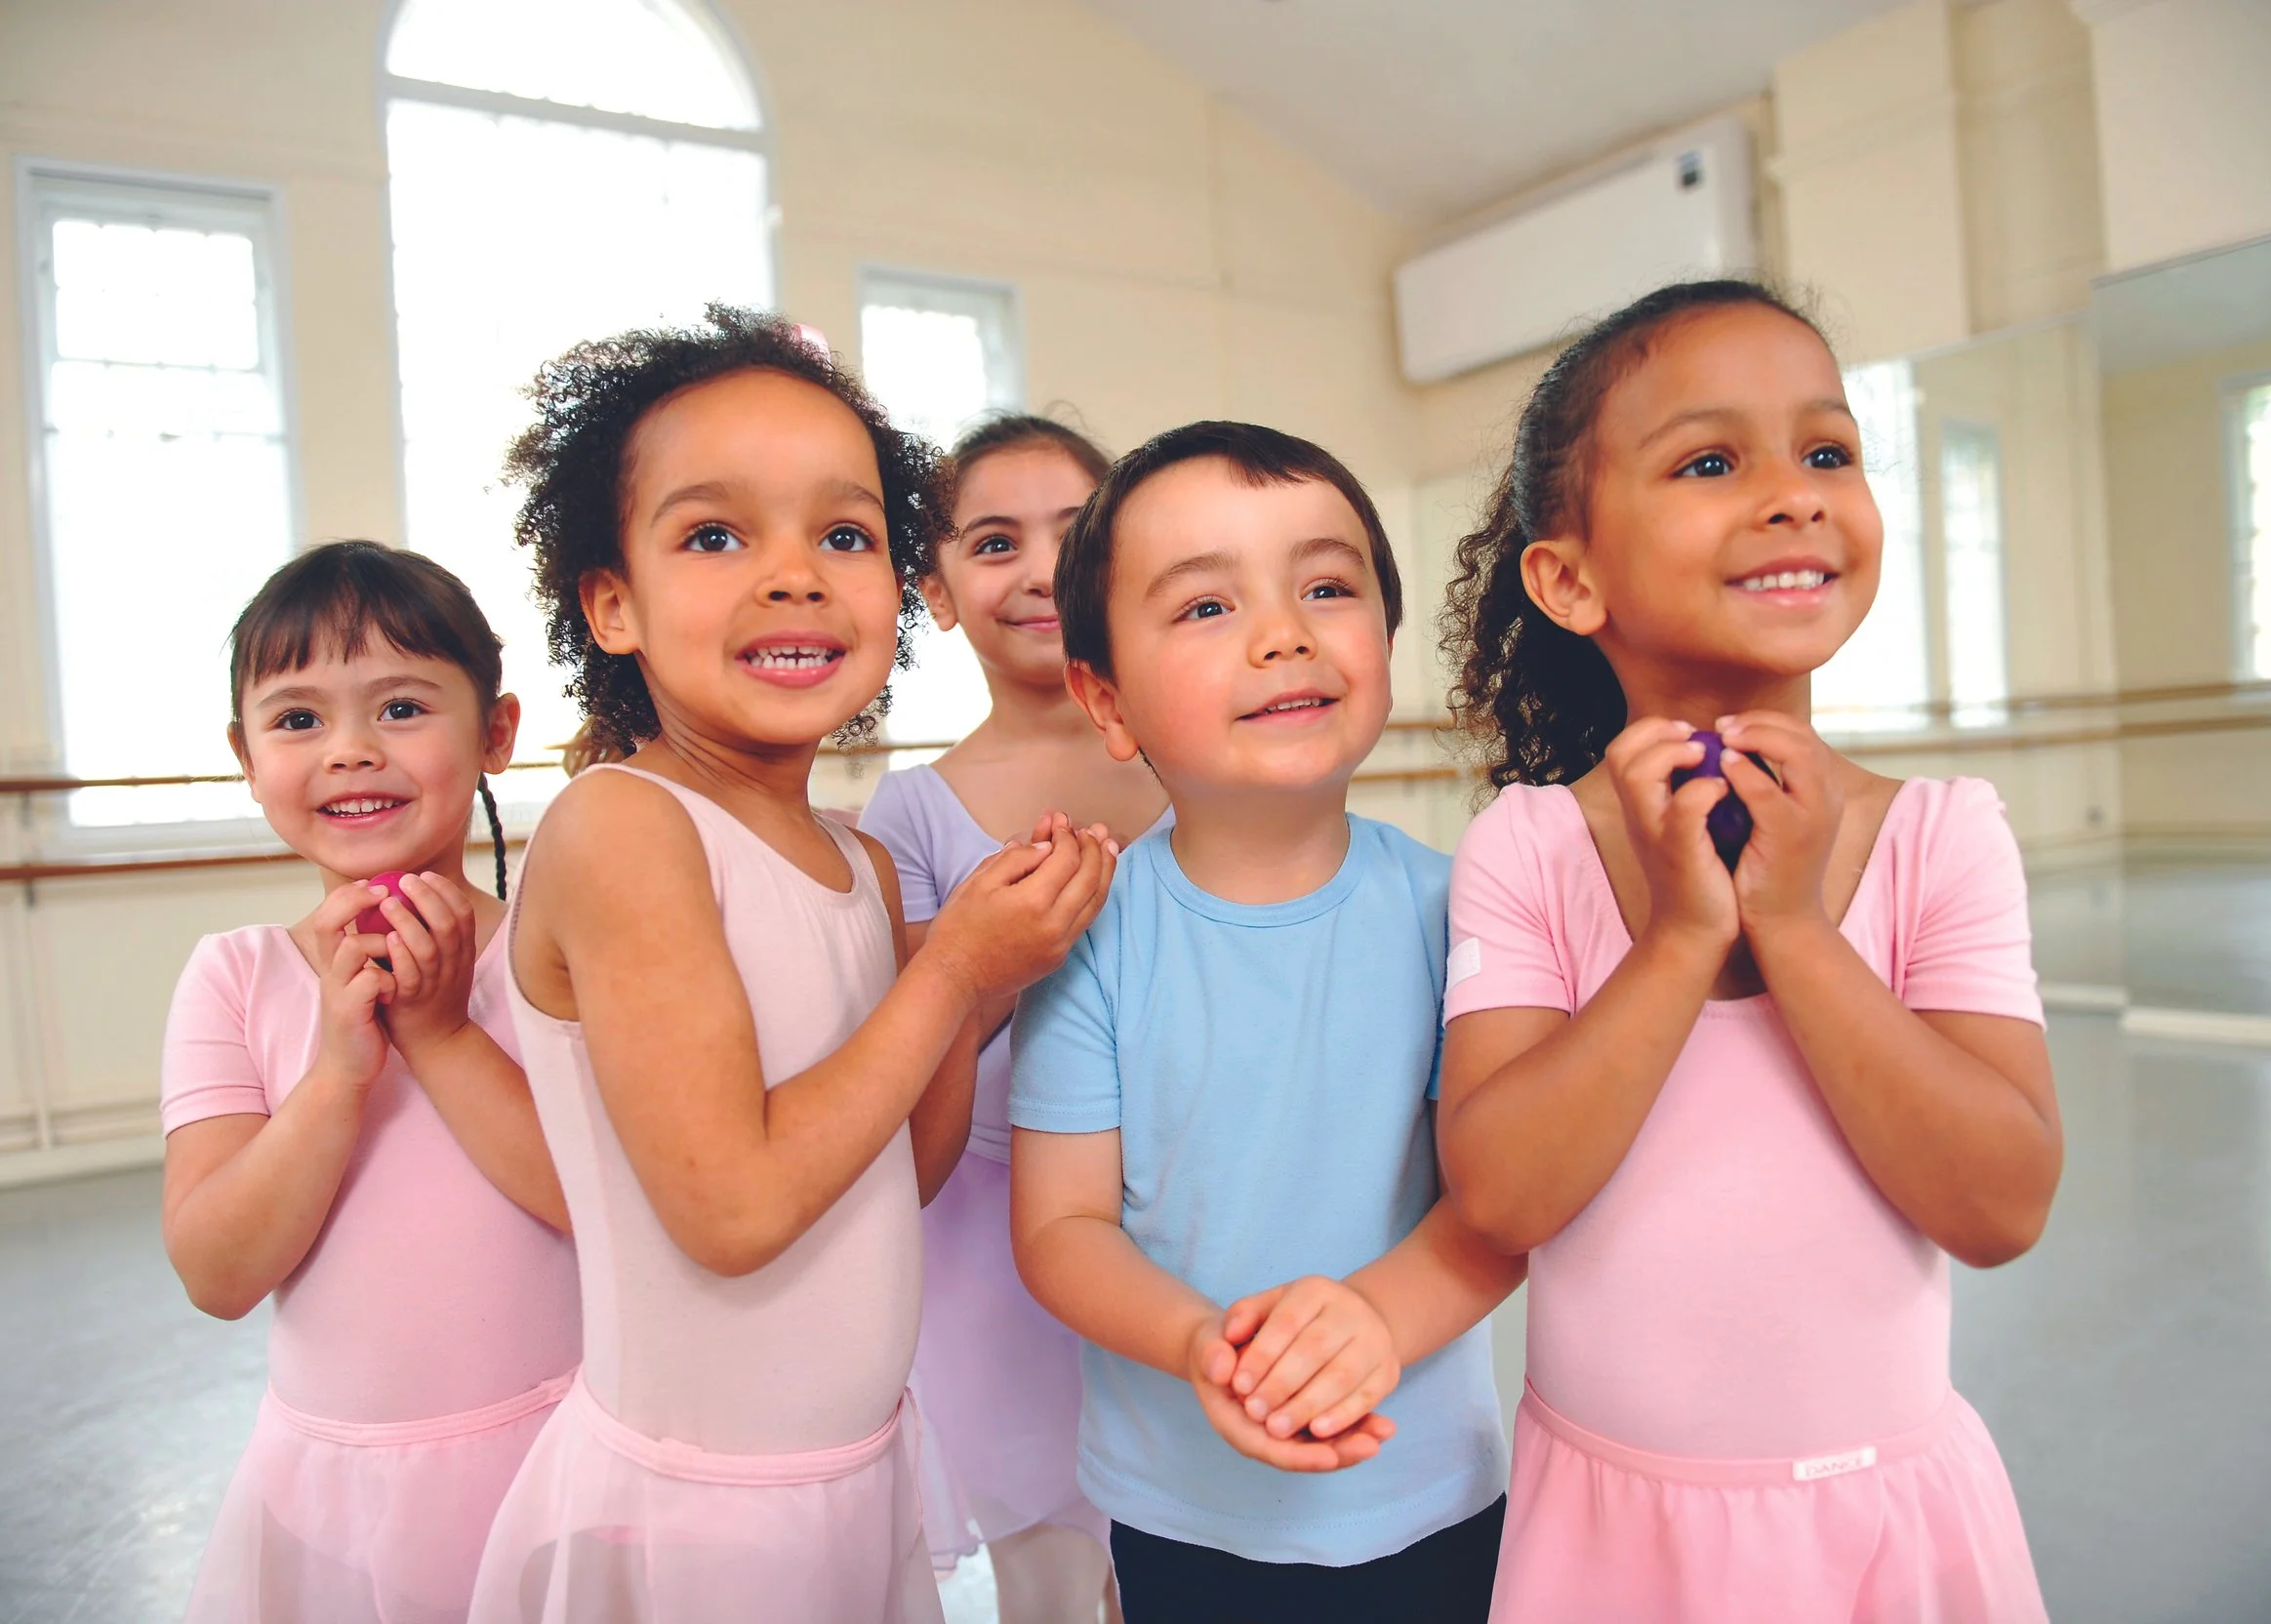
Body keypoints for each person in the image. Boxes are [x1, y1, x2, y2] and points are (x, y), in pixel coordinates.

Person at [466, 307, 1117, 1623]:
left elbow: (900, 1171)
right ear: (612, 603)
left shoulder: (860, 863)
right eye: (715, 535)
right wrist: (952, 975)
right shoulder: (624, 828)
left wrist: (997, 968)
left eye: (844, 535)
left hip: (854, 1475)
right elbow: (737, 1207)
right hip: (701, 1513)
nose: (796, 576)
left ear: (896, 593)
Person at [1436, 278, 2060, 1623]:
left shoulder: (1942, 838)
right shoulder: (1531, 850)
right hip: (1612, 1534)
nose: (1794, 494)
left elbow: (2000, 1205)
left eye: (1828, 451)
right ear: (1569, 576)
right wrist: (1676, 941)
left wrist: (1791, 926)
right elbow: (1500, 1195)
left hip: (1884, 1525)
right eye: (1713, 461)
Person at [1008, 422, 1521, 1623]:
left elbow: (1503, 1204)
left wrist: (1376, 1324)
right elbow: (1061, 1224)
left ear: (1385, 643)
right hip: (1183, 1509)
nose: (1283, 630)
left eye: (1327, 586)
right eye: (1202, 606)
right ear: (1105, 698)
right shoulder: (1089, 928)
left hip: (1429, 1491)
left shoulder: (1467, 908)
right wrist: (1204, 1344)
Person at [162, 540, 578, 1623]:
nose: (350, 751)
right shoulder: (234, 976)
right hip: (335, 1501)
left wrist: (439, 1034)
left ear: (495, 732)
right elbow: (217, 1269)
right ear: (246, 754)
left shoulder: (556, 953)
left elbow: (598, 1205)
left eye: (400, 707)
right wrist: (340, 1069)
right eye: (298, 718)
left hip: (561, 1468)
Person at [858, 413, 1166, 1622]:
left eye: (1074, 533)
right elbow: (907, 1043)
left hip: (1195, 1209)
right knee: (1049, 1571)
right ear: (932, 591)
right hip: (994, 1250)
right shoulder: (912, 812)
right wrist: (1010, 946)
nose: (1039, 569)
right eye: (993, 542)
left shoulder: (1200, 767)